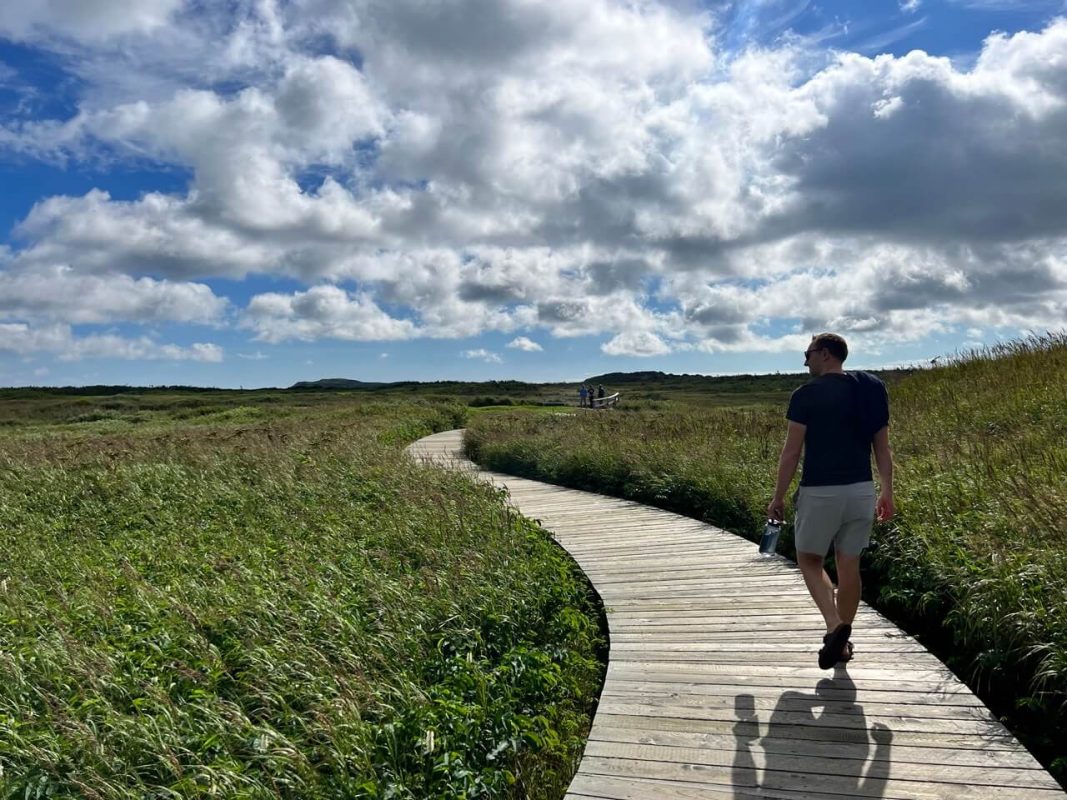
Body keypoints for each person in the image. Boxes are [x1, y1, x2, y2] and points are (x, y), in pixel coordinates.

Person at [767, 333, 895, 669]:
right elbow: (882, 448)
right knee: (849, 563)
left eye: (807, 354)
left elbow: (792, 452)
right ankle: (843, 644)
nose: (805, 361)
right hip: (862, 491)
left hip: (820, 491)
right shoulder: (871, 389)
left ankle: (834, 626)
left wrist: (778, 496)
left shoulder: (806, 395)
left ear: (825, 354)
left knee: (808, 560)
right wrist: (887, 491)